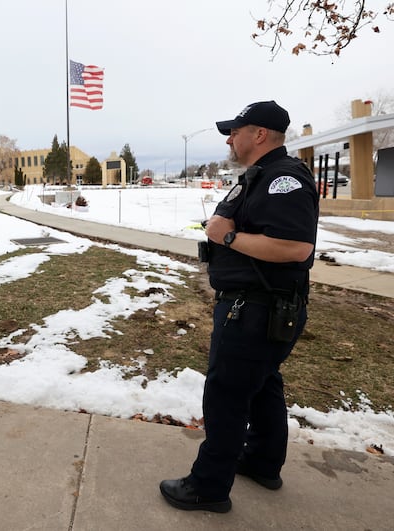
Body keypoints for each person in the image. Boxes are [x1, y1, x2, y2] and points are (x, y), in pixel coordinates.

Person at [159, 101, 319, 513]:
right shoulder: (261, 177)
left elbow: (295, 247)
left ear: (260, 134)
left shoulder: (284, 179)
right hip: (252, 308)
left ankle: (208, 487)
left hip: (255, 310)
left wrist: (228, 239)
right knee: (261, 384)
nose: (230, 139)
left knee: (227, 395)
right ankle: (262, 462)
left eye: (235, 131)